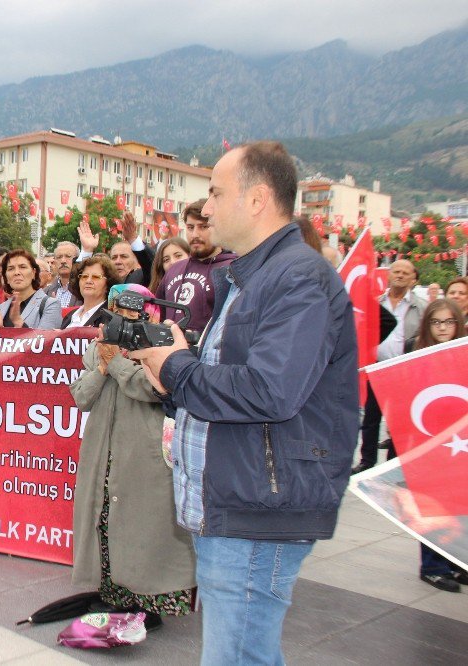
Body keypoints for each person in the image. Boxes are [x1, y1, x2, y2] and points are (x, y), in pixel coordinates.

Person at [133, 141, 358, 664]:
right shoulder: (250, 276)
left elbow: (271, 391)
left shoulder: (296, 277)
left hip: (260, 505)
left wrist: (177, 368)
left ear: (256, 199)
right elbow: (225, 382)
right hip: (240, 498)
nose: (205, 208)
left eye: (214, 192)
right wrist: (172, 379)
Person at [71, 283, 196, 629]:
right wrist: (102, 366)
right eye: (116, 310)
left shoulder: (161, 343)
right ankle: (115, 596)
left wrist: (119, 365)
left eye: (131, 310)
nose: (122, 318)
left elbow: (154, 390)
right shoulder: (99, 349)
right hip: (104, 449)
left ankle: (150, 603)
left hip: (143, 451)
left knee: (145, 524)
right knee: (107, 520)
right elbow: (81, 396)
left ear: (147, 311)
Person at [408, 298, 467, 592]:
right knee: (434, 509)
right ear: (428, 324)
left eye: (448, 322)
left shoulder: (464, 354)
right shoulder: (414, 353)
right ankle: (432, 566)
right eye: (436, 322)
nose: (443, 328)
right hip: (427, 443)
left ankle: (456, 562)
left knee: (459, 506)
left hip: (458, 444)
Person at [353, 259, 426, 474]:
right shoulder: (376, 302)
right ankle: (367, 461)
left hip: (404, 369)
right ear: (389, 275)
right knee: (371, 418)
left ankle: (394, 461)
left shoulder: (420, 307)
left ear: (413, 278)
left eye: (406, 272)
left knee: (399, 420)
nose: (400, 275)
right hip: (375, 367)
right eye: (396, 271)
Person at [154, 198, 236, 333]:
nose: (195, 234)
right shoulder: (175, 269)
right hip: (169, 350)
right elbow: (158, 314)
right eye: (190, 227)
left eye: (203, 227)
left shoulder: (231, 269)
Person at [0, 250, 63, 329]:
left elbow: (47, 341)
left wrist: (18, 322)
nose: (16, 272)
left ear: (33, 273)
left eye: (22, 267)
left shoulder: (50, 305)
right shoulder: (0, 309)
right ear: (6, 277)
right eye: (11, 268)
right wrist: (0, 328)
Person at [77, 211, 153, 286]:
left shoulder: (142, 278)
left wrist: (133, 239)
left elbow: (152, 265)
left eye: (124, 256)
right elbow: (78, 282)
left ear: (138, 262)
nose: (118, 262)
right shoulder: (103, 282)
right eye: (114, 257)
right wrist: (87, 250)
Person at [61, 255, 118, 328]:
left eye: (96, 277)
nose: (88, 281)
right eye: (84, 276)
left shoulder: (111, 317)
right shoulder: (70, 316)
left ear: (108, 283)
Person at [44, 241, 80, 308]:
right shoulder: (46, 292)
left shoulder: (83, 289)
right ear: (55, 261)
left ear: (77, 260)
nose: (63, 261)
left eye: (68, 256)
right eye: (59, 257)